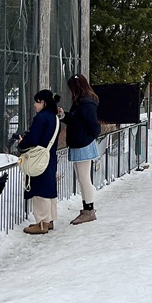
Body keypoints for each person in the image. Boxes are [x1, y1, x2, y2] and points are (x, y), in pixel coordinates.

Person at [15, 89, 61, 234]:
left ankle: (42, 223)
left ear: (43, 102)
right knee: (49, 187)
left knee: (40, 188)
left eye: (36, 101)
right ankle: (50, 219)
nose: (34, 105)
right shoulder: (55, 118)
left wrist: (22, 142)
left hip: (39, 157)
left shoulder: (41, 118)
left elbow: (33, 139)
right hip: (50, 156)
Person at [64, 73, 102, 225]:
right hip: (80, 142)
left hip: (83, 143)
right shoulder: (81, 102)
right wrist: (64, 116)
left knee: (84, 177)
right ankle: (87, 207)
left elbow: (93, 125)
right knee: (82, 177)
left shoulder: (86, 104)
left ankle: (89, 209)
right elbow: (76, 120)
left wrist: (90, 137)